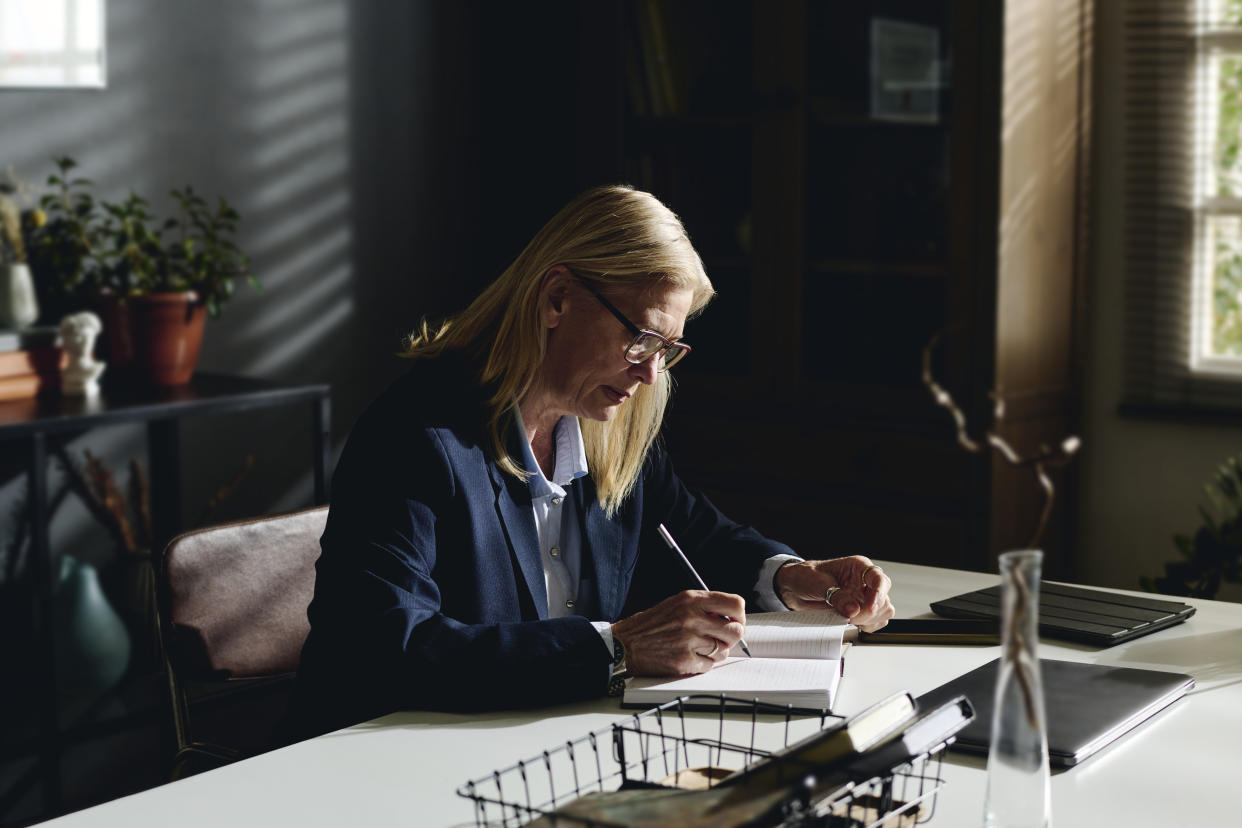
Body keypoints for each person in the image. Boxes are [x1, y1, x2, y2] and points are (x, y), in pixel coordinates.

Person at [287, 185, 894, 739]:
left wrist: (793, 577)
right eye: (642, 340)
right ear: (557, 298)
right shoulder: (416, 437)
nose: (651, 373)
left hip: (545, 742)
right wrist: (617, 647)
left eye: (668, 349)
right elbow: (384, 649)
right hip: (388, 763)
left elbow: (699, 536)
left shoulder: (609, 428)